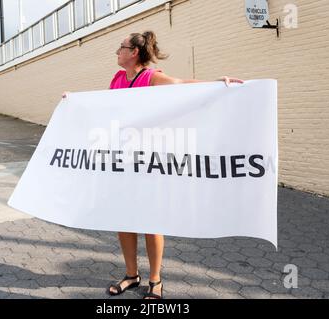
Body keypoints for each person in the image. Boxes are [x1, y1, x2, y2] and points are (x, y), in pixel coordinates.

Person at [63, 31, 243, 299]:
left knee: (150, 220)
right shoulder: (117, 78)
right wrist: (75, 101)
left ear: (134, 52)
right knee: (123, 218)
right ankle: (131, 275)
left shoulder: (150, 77)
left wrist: (216, 84)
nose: (117, 52)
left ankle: (155, 280)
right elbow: (104, 107)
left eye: (121, 47)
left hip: (147, 161)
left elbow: (182, 83)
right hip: (122, 160)